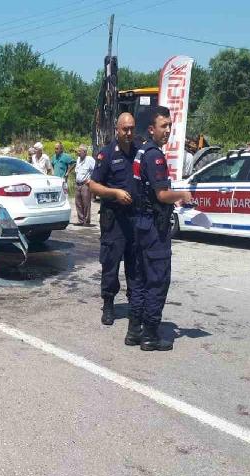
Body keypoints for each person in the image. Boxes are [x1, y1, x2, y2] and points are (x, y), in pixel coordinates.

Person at [129, 106, 193, 351]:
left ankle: (135, 330)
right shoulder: (154, 155)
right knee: (157, 280)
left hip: (141, 223)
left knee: (141, 279)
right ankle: (150, 335)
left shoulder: (141, 151)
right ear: (151, 129)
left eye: (169, 125)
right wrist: (183, 195)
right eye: (163, 126)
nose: (167, 130)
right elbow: (162, 193)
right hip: (153, 227)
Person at [88, 112, 139, 327]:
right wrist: (115, 193)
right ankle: (108, 304)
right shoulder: (106, 154)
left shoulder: (140, 152)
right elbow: (93, 185)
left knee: (136, 264)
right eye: (124, 129)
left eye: (131, 128)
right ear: (116, 130)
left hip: (136, 219)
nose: (128, 133)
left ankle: (135, 305)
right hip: (114, 219)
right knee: (110, 263)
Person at [73, 145, 95, 226]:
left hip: (85, 184)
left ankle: (87, 221)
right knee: (78, 203)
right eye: (78, 151)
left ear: (85, 152)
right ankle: (80, 220)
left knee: (86, 203)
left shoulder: (90, 160)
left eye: (79, 151)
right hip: (78, 184)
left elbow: (95, 170)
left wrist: (91, 181)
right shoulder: (78, 159)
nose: (78, 153)